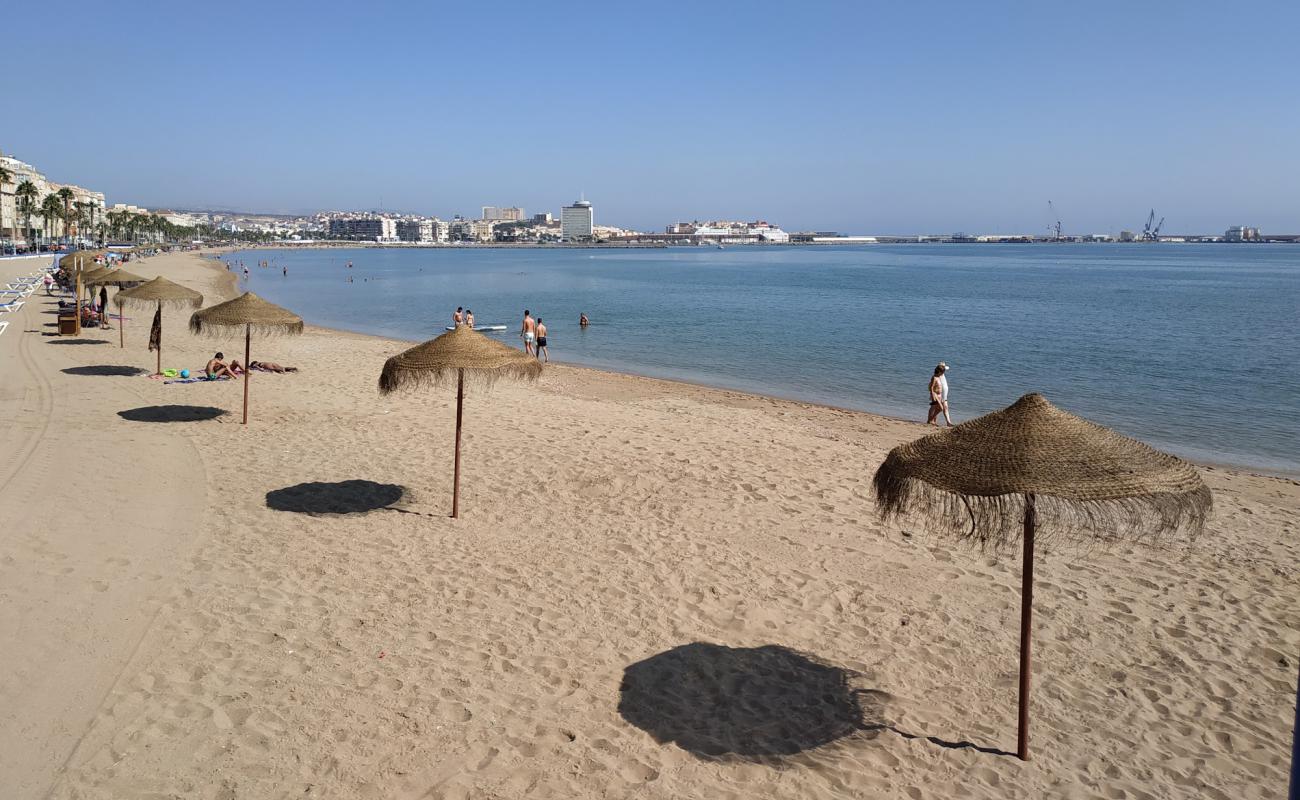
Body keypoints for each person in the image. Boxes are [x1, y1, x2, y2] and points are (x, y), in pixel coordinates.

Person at [927, 362, 953, 426]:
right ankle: (930, 420)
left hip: (940, 395)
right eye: (943, 371)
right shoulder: (935, 377)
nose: (944, 373)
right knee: (937, 408)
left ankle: (931, 420)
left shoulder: (939, 376)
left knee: (940, 408)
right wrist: (933, 395)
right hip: (935, 395)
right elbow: (931, 387)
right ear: (940, 371)